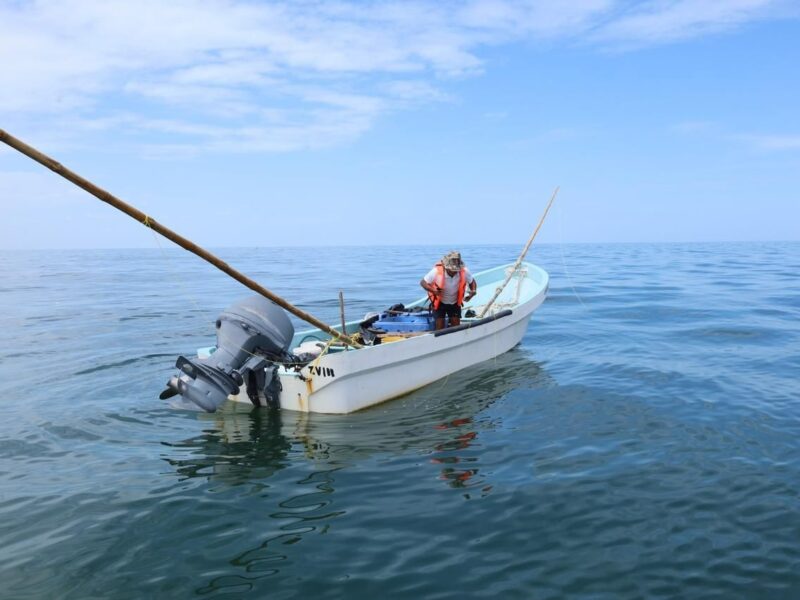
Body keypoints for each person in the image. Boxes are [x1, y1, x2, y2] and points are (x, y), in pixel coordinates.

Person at [420, 251, 477, 330]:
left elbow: (472, 281)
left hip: (455, 301)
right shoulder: (436, 271)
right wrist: (434, 291)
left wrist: (472, 292)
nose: (454, 272)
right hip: (439, 302)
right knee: (440, 324)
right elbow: (423, 282)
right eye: (452, 270)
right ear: (446, 267)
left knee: (456, 324)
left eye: (456, 270)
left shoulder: (464, 271)